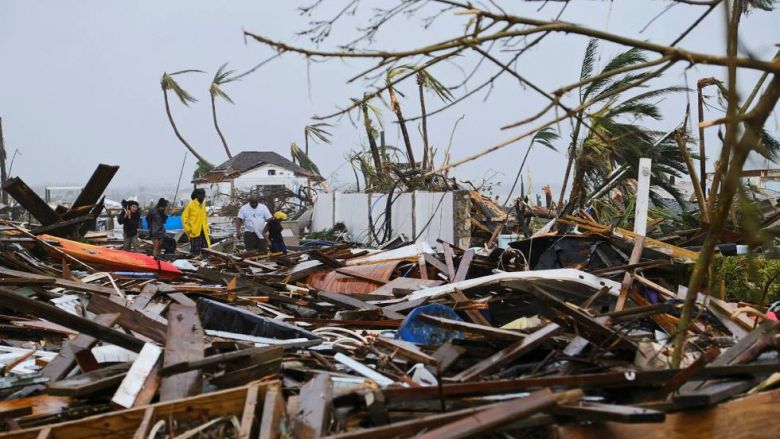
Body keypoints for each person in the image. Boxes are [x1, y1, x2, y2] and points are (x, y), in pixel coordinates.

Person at [182, 188, 211, 256]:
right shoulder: (191, 205)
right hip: (195, 233)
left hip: (203, 232)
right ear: (197, 195)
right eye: (202, 195)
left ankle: (204, 264)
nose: (204, 197)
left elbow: (204, 218)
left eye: (204, 195)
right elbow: (184, 218)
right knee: (195, 253)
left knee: (206, 251)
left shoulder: (203, 205)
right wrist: (189, 230)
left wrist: (207, 228)